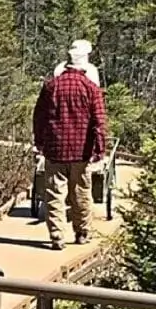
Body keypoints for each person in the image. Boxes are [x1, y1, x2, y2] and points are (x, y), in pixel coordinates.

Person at [32, 40, 109, 250]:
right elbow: (99, 122)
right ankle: (82, 232)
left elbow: (38, 116)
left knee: (54, 195)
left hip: (55, 150)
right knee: (81, 193)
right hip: (81, 152)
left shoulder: (50, 86)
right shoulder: (91, 88)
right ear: (84, 67)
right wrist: (100, 149)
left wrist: (39, 141)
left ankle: (57, 235)